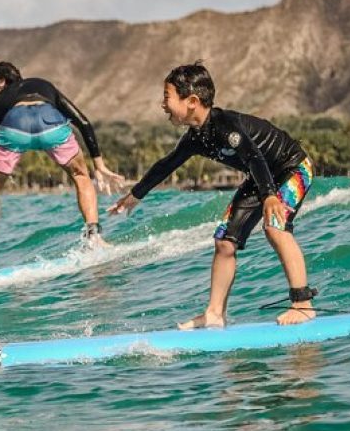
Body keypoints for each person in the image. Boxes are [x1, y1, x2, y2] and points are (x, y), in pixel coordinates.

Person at [108, 61, 316, 327]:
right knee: (224, 242)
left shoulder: (226, 126)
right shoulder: (195, 137)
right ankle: (214, 314)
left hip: (292, 167)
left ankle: (303, 304)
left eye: (167, 97)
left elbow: (254, 157)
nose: (163, 104)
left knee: (275, 227)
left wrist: (270, 196)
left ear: (192, 101)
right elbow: (166, 164)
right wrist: (135, 195)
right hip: (262, 178)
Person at [0, 61, 124, 273]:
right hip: (50, 122)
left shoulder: (0, 102)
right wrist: (99, 165)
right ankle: (94, 237)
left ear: (1, 82)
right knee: (81, 176)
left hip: (15, 125)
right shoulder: (43, 84)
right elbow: (83, 122)